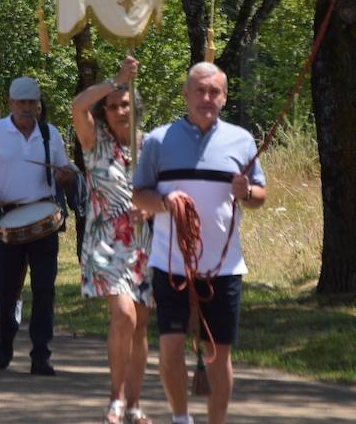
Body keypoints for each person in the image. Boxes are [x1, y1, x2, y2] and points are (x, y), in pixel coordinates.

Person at [131, 62, 266, 424]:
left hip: (223, 267)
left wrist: (247, 191)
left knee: (218, 354)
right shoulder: (159, 140)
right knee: (170, 348)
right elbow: (139, 195)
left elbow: (258, 196)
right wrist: (164, 202)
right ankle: (181, 418)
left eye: (215, 92)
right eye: (200, 91)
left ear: (223, 97)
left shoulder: (241, 140)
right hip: (170, 263)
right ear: (186, 94)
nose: (207, 98)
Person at [0, 76, 75, 376]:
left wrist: (66, 176)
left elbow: (66, 172)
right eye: (21, 103)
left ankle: (41, 355)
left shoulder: (51, 134)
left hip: (44, 222)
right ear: (11, 104)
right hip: (7, 217)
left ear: (39, 105)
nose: (27, 108)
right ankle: (7, 334)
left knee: (44, 288)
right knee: (7, 287)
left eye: (32, 103)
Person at [72, 56, 154, 424]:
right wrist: (116, 80)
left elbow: (167, 193)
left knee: (140, 324)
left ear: (134, 107)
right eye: (112, 106)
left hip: (145, 246)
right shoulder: (94, 144)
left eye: (124, 103)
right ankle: (116, 398)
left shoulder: (151, 147)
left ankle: (135, 403)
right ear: (104, 112)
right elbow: (77, 105)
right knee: (123, 315)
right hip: (105, 244)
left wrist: (150, 211)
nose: (119, 110)